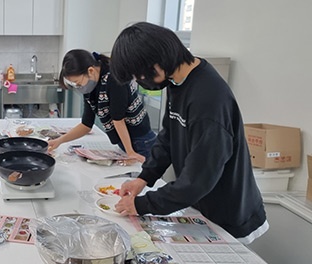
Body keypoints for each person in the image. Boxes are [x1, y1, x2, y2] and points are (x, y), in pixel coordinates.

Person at [109, 22, 267, 244]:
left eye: (140, 75)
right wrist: (145, 178)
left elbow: (197, 181)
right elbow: (168, 137)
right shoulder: (177, 80)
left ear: (157, 62)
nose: (140, 81)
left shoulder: (208, 99)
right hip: (202, 206)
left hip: (229, 216)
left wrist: (142, 205)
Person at [48, 49, 156, 162]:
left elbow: (118, 119)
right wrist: (59, 141)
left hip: (141, 141)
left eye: (78, 83)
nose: (79, 87)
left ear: (90, 71)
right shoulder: (90, 86)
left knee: (144, 176)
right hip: (125, 140)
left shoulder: (114, 79)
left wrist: (130, 152)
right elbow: (86, 125)